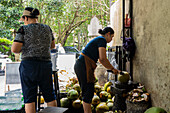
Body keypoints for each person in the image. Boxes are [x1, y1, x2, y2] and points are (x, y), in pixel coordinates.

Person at [11, 7, 57, 113]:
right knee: (50, 95)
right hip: (45, 65)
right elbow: (52, 46)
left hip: (29, 66)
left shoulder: (23, 29)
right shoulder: (47, 28)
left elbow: (15, 49)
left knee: (29, 97)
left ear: (26, 18)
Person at [74, 27, 120, 113]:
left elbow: (100, 59)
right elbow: (102, 59)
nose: (111, 39)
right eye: (112, 36)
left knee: (88, 92)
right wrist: (113, 69)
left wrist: (111, 68)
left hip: (81, 65)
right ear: (108, 34)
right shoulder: (102, 40)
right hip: (84, 66)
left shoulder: (99, 40)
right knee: (87, 93)